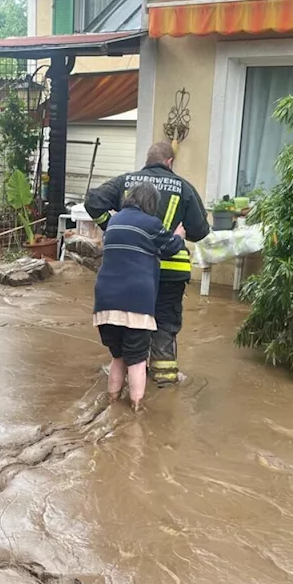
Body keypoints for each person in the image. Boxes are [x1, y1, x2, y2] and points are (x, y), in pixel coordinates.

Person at [86, 141, 208, 386]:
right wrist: (177, 235)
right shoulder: (184, 188)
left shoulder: (126, 182)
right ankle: (163, 380)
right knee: (164, 322)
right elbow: (200, 230)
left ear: (147, 159)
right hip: (170, 270)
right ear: (170, 162)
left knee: (129, 323)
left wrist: (110, 226)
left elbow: (93, 201)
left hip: (130, 271)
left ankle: (125, 371)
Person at [93, 183, 186, 409]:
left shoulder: (114, 221)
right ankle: (136, 412)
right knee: (136, 361)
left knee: (118, 358)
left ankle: (112, 403)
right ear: (151, 203)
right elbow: (170, 247)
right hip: (136, 304)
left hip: (104, 302)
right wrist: (179, 235)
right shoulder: (151, 224)